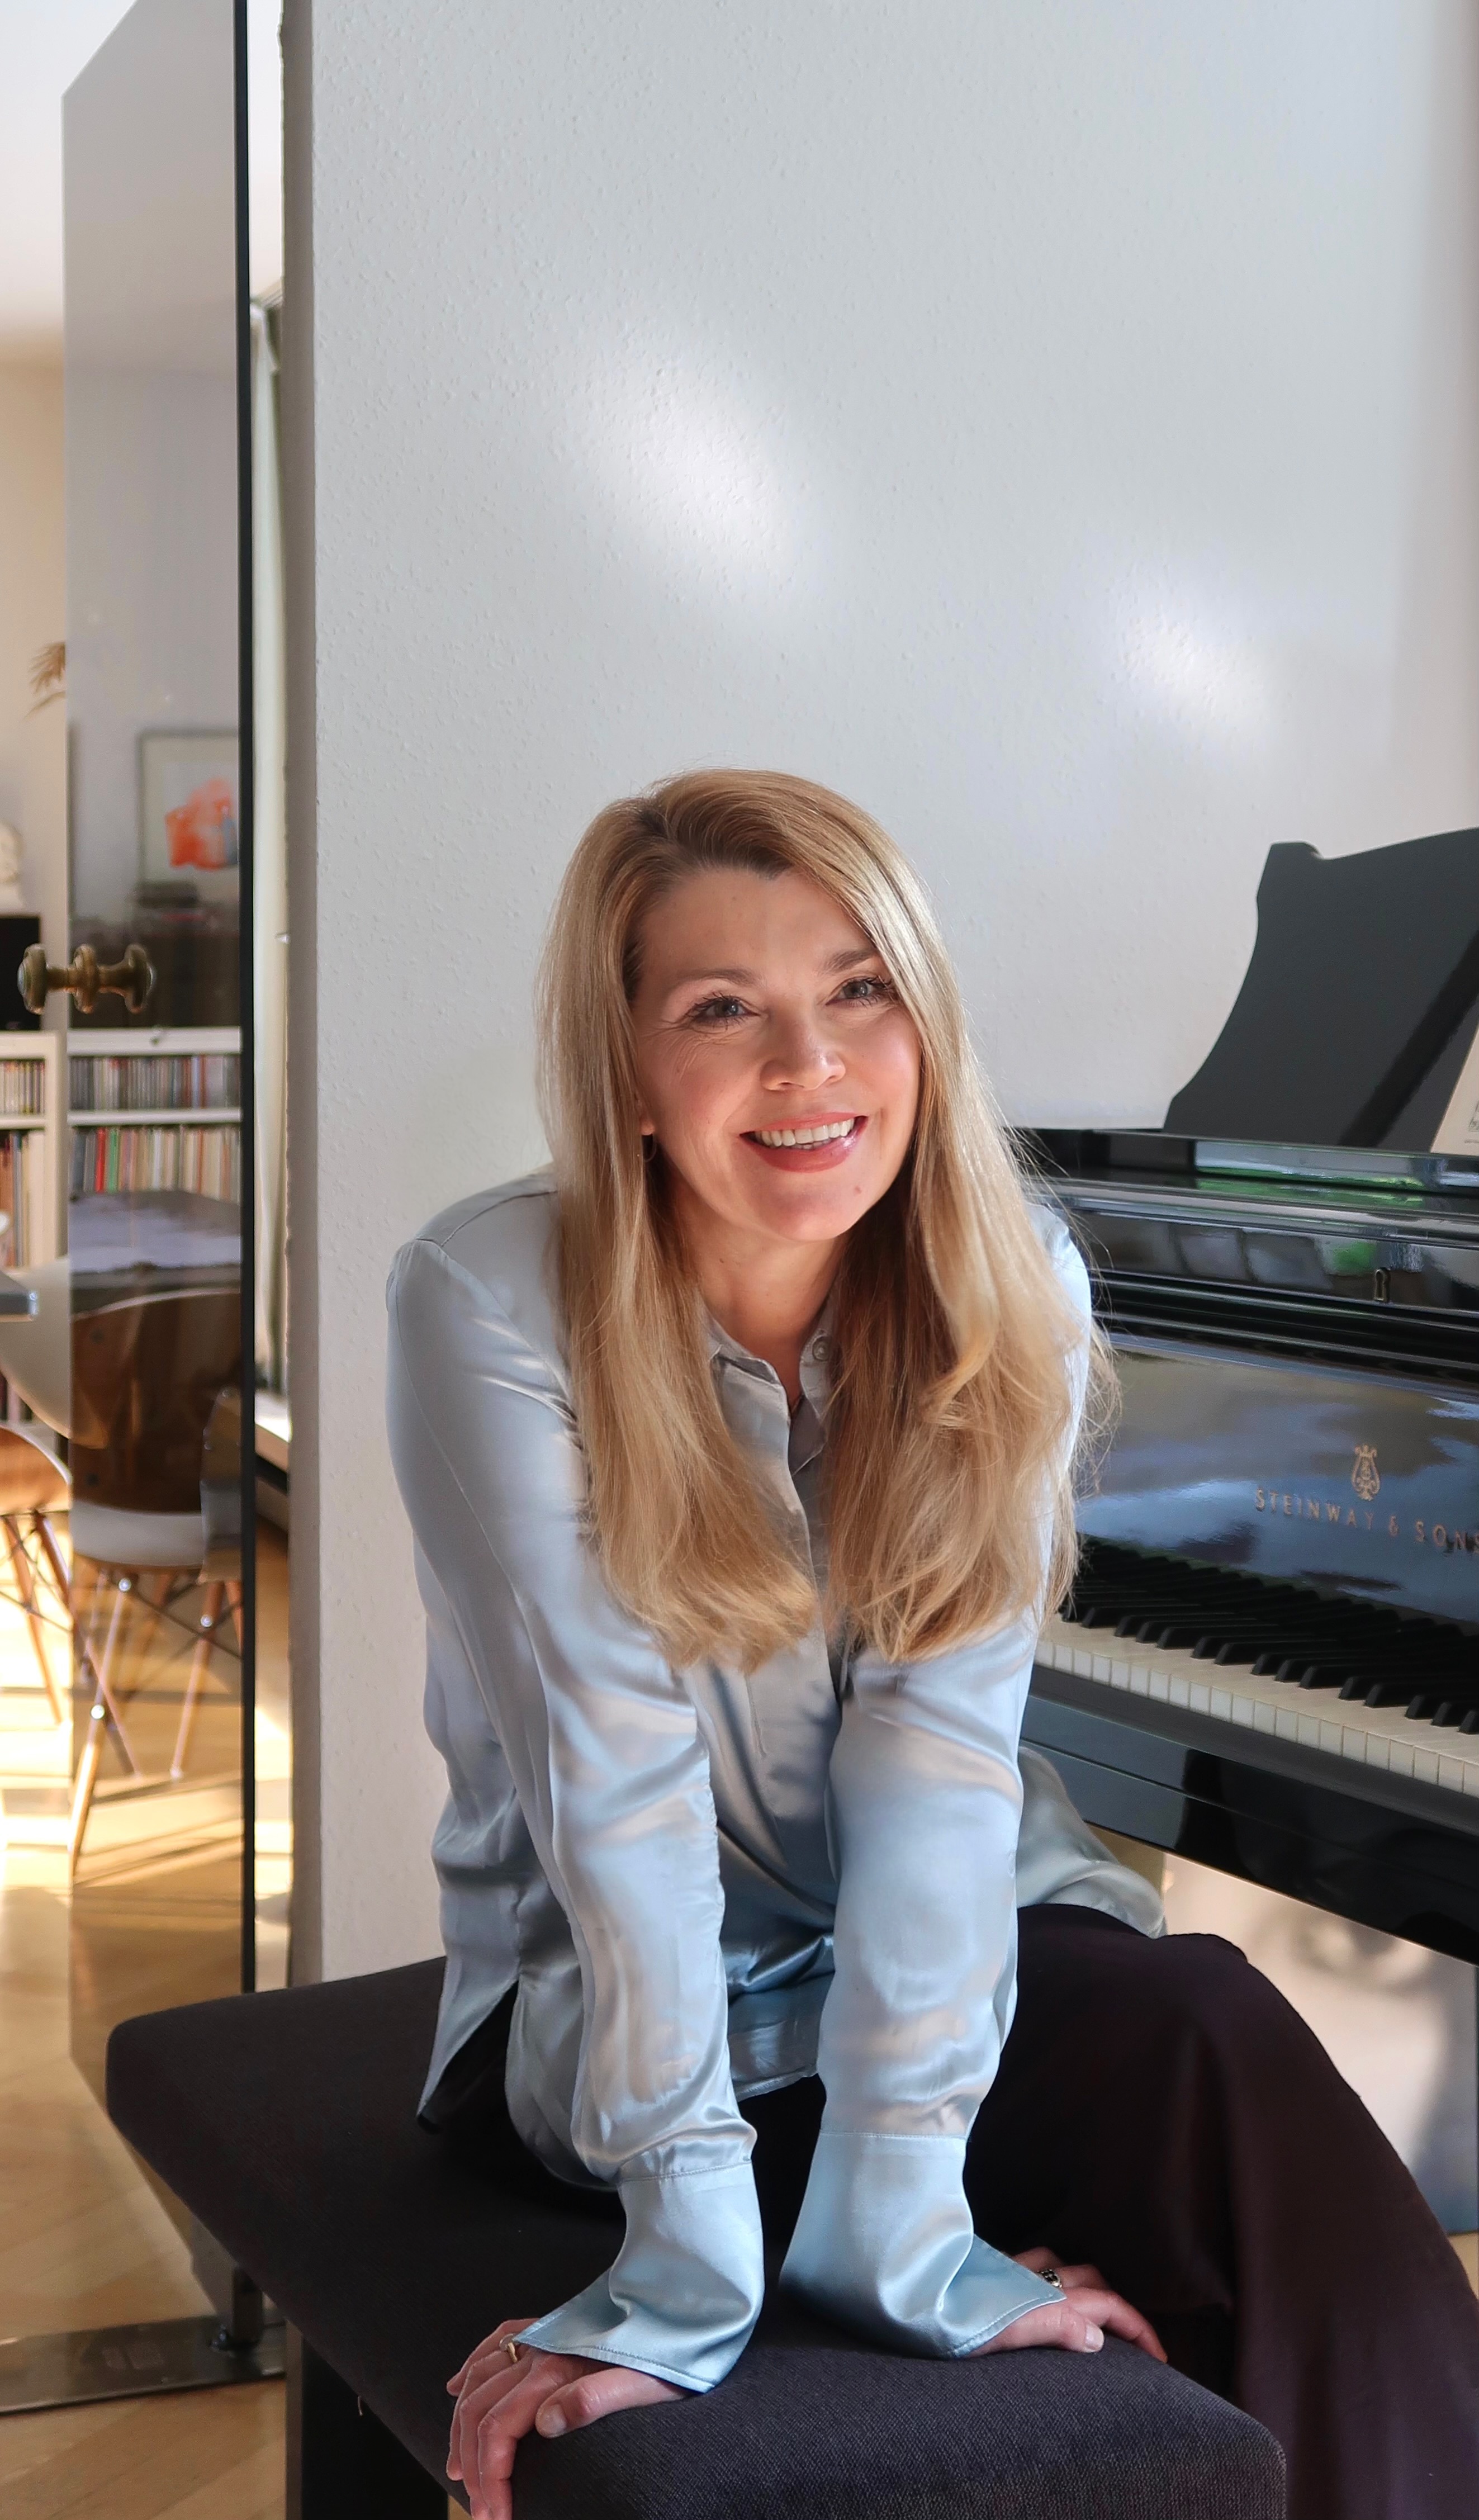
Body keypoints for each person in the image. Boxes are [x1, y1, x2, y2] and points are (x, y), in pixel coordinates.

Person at [387, 770, 1479, 2520]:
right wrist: (694, 2277)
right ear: (627, 1068)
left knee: (1212, 2034)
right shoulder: (490, 1301)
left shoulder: (1011, 1273)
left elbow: (944, 1763)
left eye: (860, 989)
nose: (810, 1066)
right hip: (630, 2002)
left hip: (958, 1940)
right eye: (723, 1009)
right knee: (1179, 2208)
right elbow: (616, 1796)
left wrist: (911, 2220)